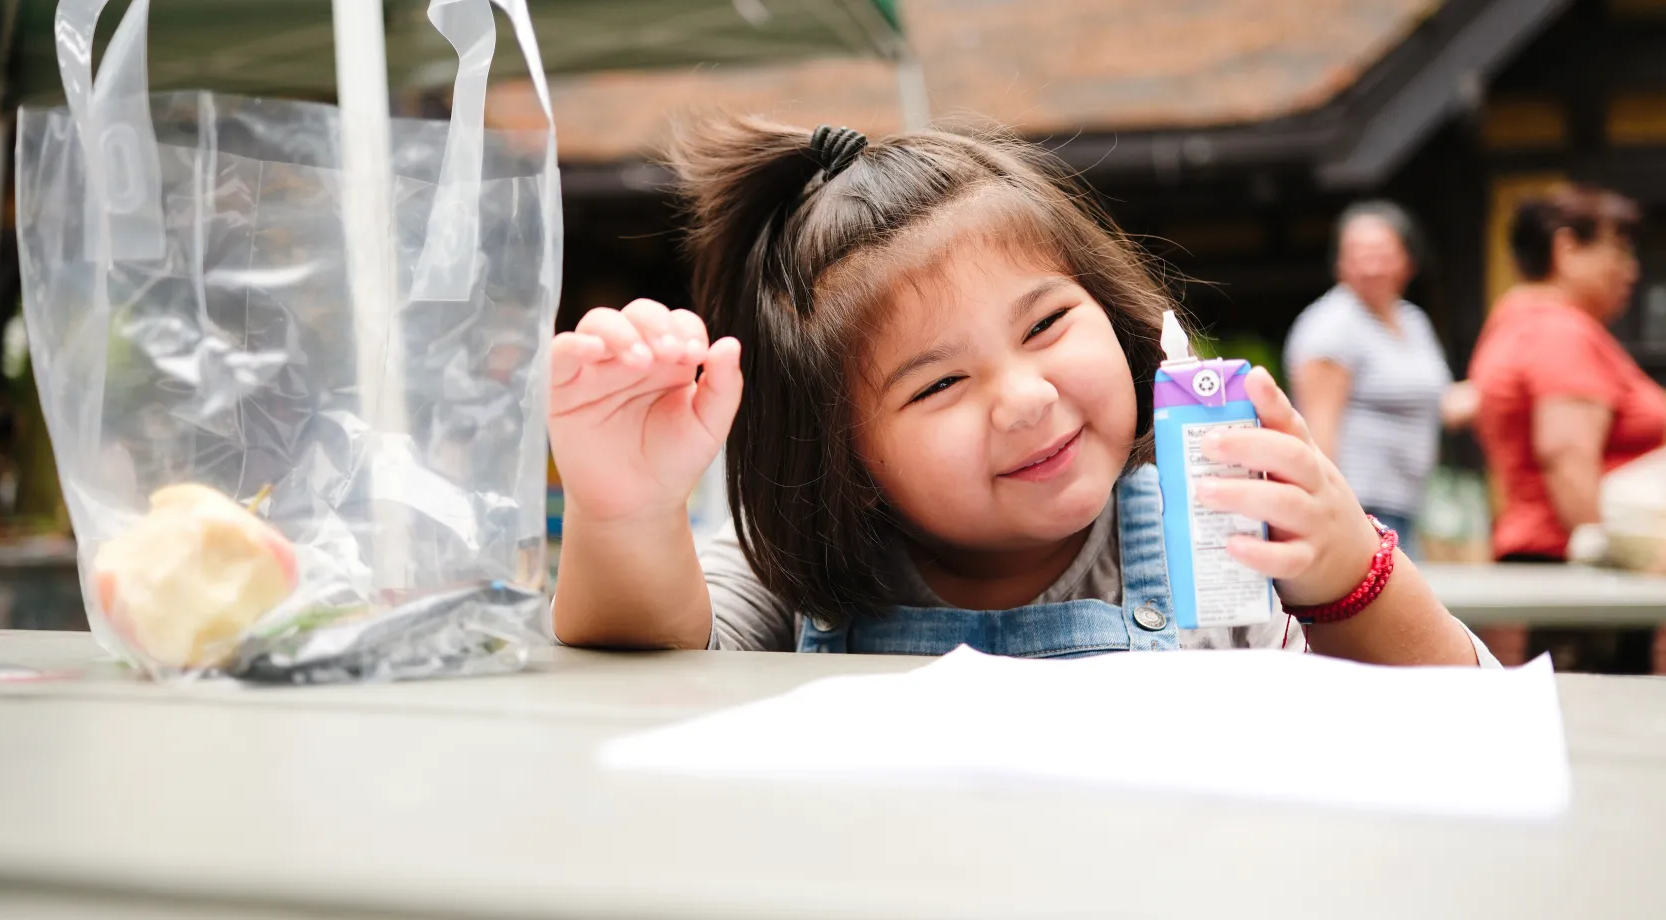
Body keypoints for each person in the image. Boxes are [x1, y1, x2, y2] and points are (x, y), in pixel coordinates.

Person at [547, 117, 1495, 667]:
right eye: (940, 384)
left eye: (1046, 326)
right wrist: (624, 512)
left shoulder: (1227, 527)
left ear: (1118, 312)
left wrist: (1349, 582)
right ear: (840, 452)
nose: (1025, 398)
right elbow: (655, 666)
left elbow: (1472, 724)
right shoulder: (800, 573)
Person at [1469, 184, 1666, 672]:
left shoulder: (1515, 322)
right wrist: (1605, 560)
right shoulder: (1560, 332)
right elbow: (1566, 455)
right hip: (1583, 572)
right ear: (1565, 249)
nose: (1631, 270)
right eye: (1618, 250)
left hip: (1554, 561)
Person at [1284, 201, 1476, 553]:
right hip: (1361, 509)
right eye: (1357, 254)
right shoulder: (1331, 327)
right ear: (1339, 263)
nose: (1370, 266)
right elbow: (1319, 431)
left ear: (1409, 260)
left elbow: (1440, 403)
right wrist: (1331, 515)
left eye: (1382, 254)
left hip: (1411, 504)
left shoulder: (1411, 320)